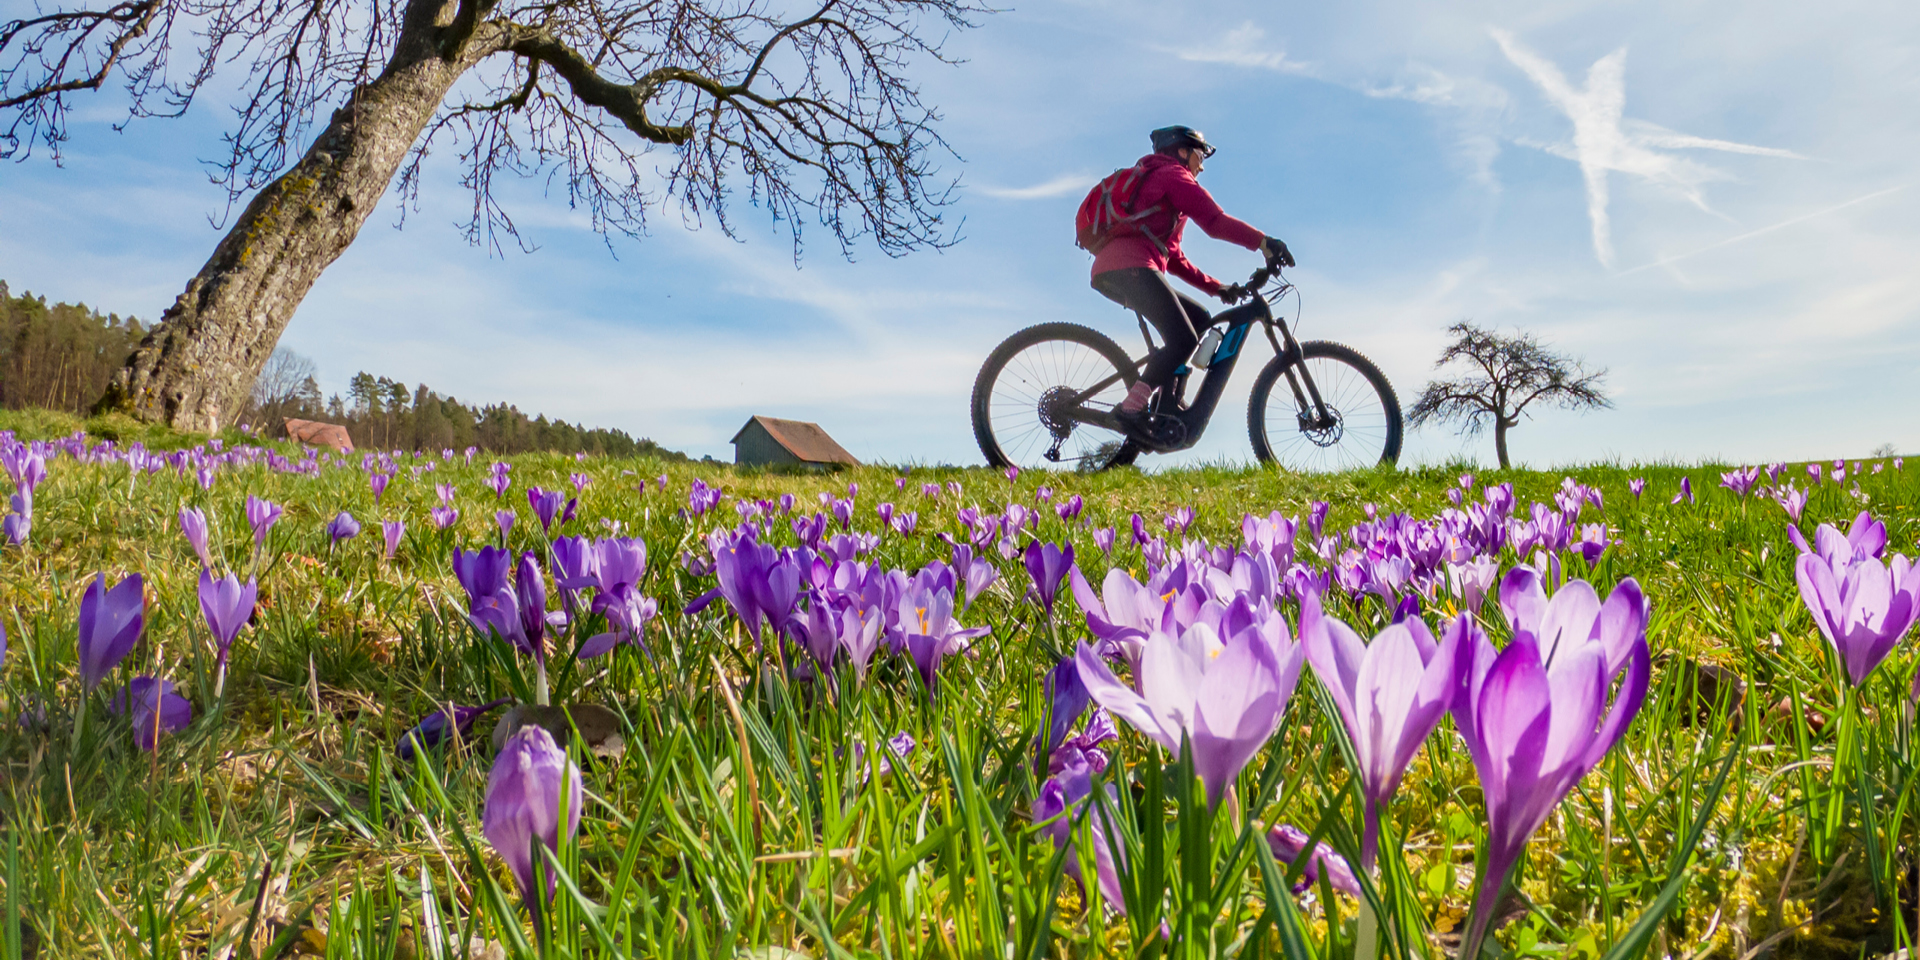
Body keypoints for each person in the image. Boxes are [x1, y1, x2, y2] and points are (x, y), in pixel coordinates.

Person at [1088, 125, 1292, 431]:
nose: (1202, 165)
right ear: (1182, 152)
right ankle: (1129, 410)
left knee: (1198, 319)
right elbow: (1215, 222)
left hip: (1118, 268)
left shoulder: (1157, 184)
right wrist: (1264, 242)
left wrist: (1217, 288)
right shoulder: (1173, 175)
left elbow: (1173, 257)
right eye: (1200, 155)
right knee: (1183, 338)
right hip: (1132, 267)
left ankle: (1167, 404)